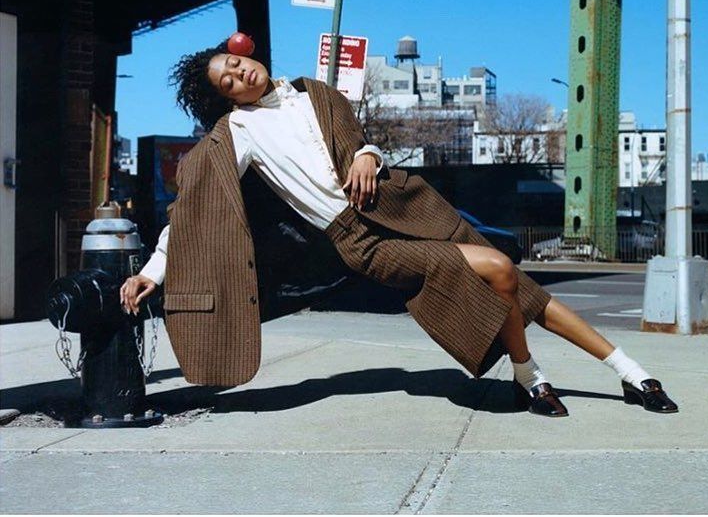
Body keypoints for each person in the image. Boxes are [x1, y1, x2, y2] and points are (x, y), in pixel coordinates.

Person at [120, 38, 678, 417]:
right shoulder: (237, 132)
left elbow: (356, 139)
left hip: (406, 207)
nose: (239, 75)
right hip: (360, 241)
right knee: (501, 269)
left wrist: (367, 152)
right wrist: (154, 269)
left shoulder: (317, 92)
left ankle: (629, 373)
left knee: (520, 291)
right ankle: (529, 371)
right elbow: (193, 209)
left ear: (248, 56)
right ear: (226, 99)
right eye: (227, 82)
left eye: (234, 64)